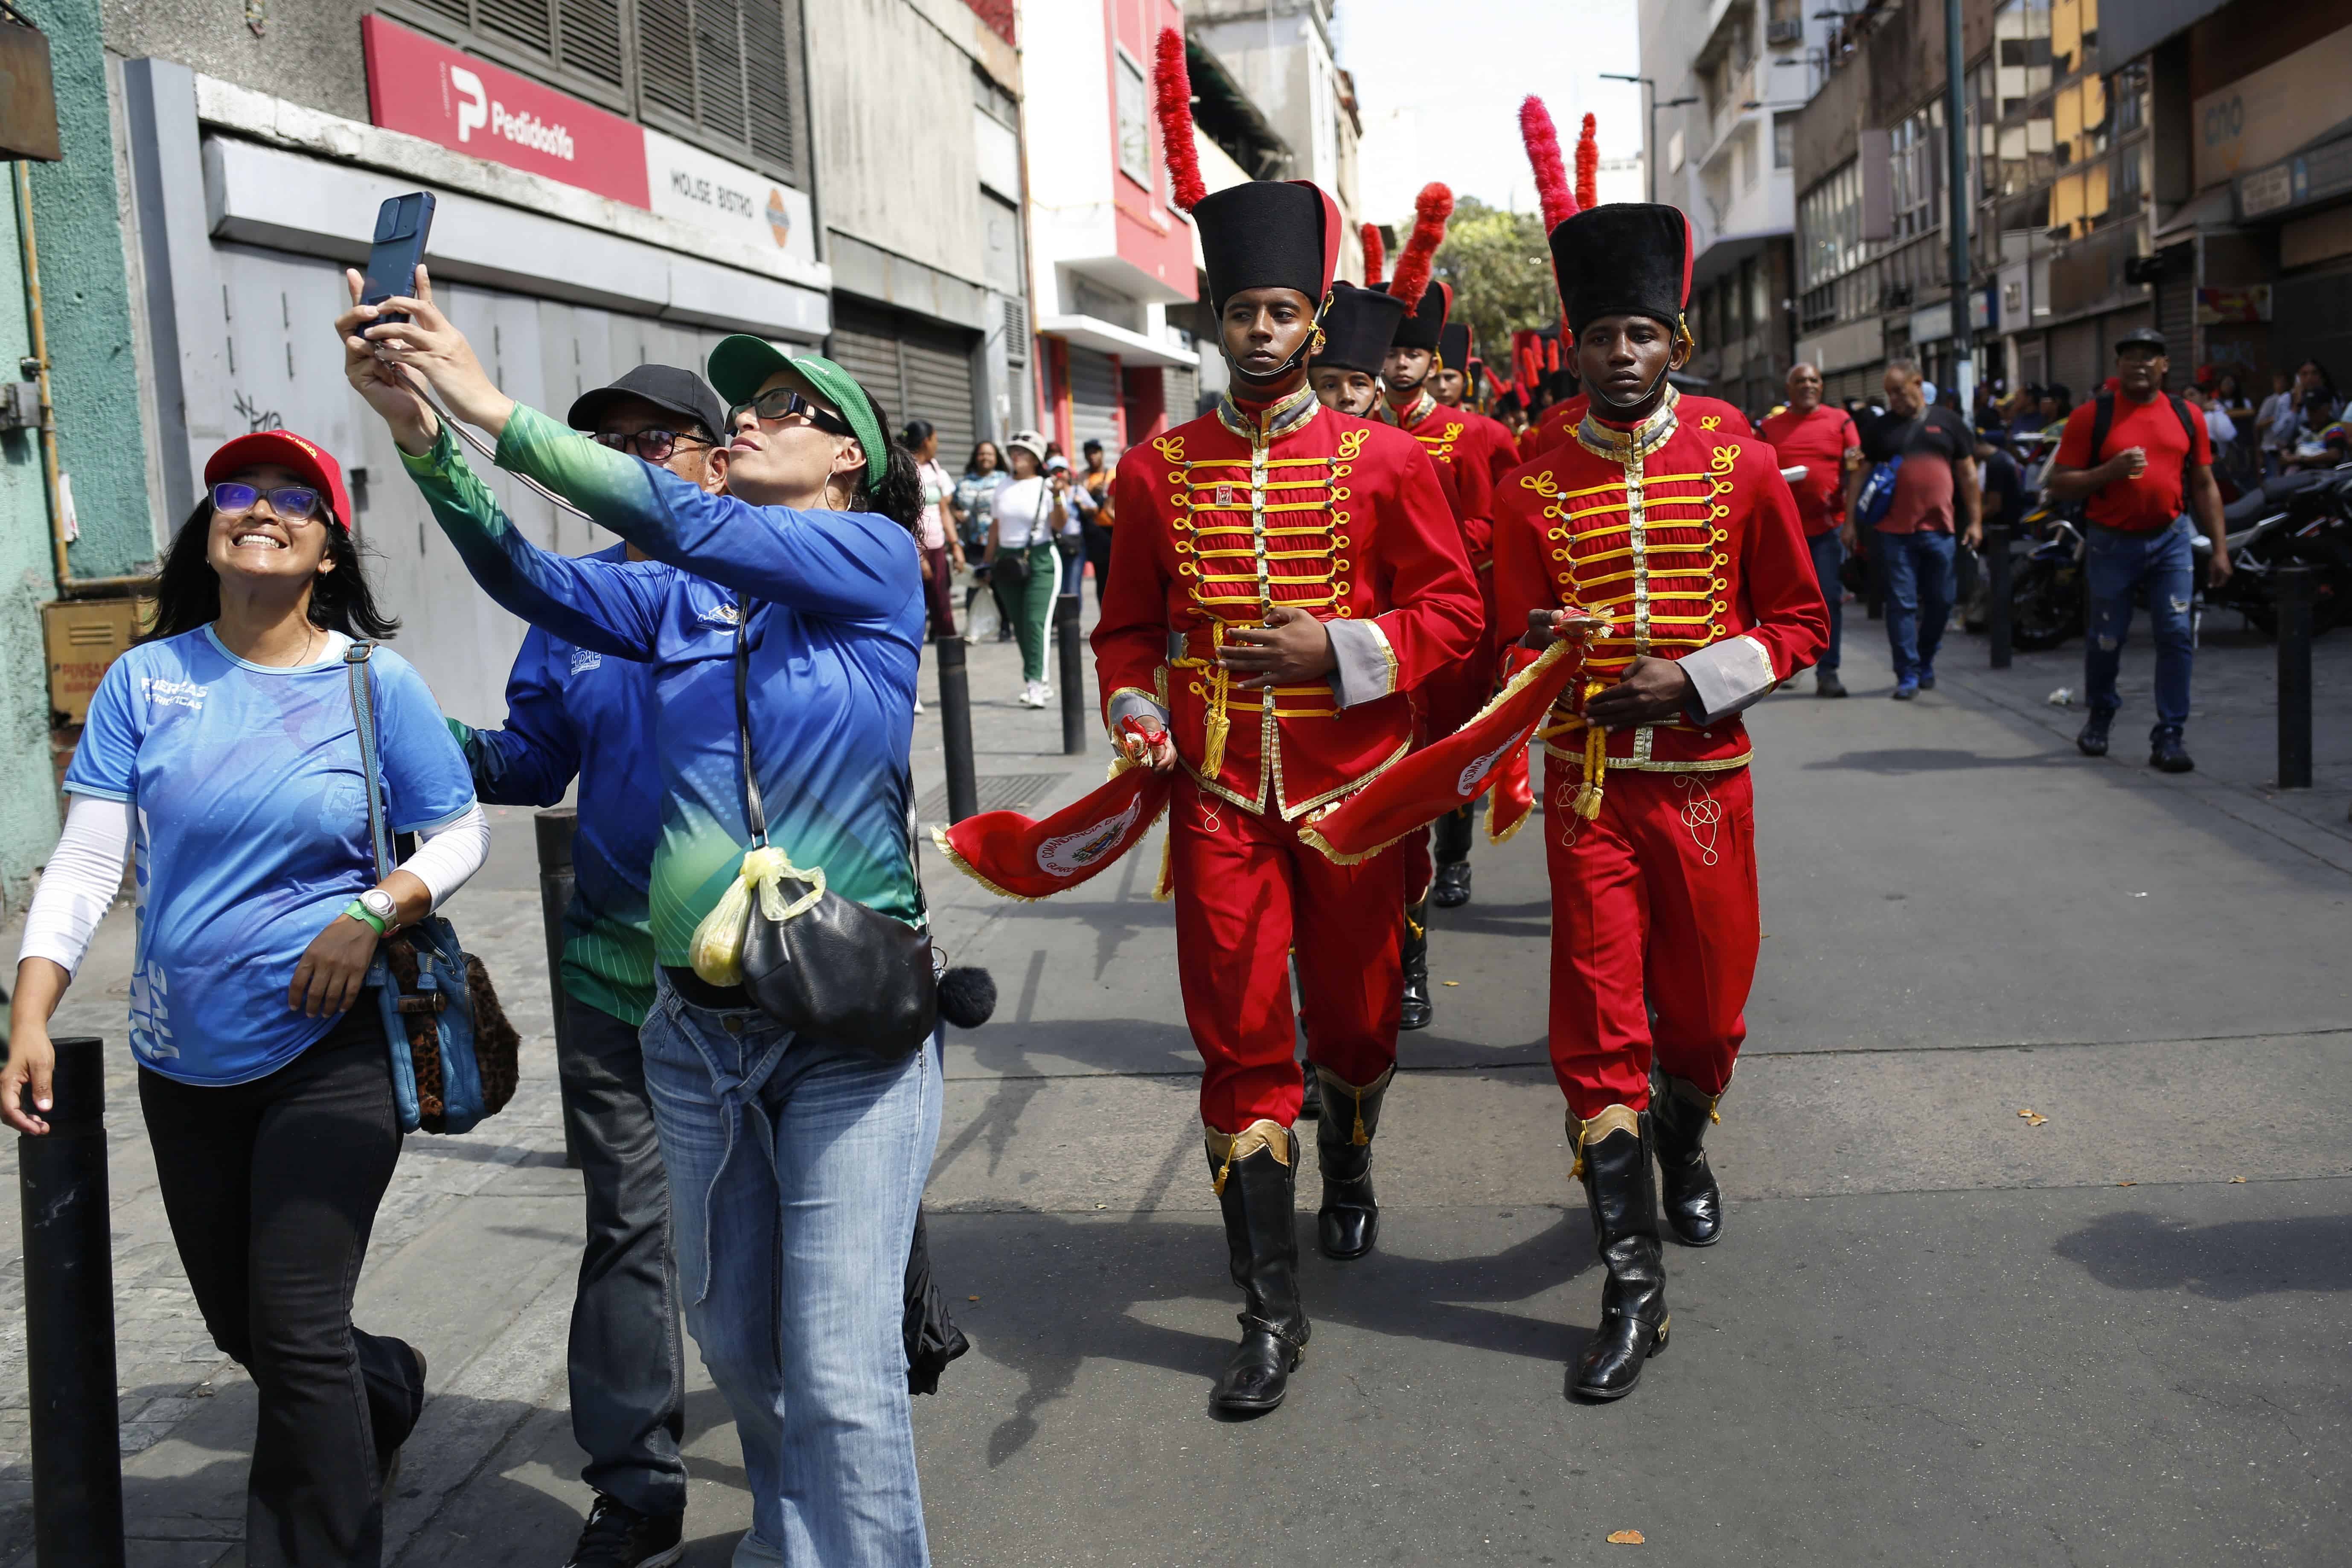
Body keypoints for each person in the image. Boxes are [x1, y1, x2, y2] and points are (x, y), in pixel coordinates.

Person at [340, 268, 940, 1565]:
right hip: (693, 1037)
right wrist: (420, 436)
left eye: (784, 405)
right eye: (740, 404)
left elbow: (683, 517)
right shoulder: (679, 599)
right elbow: (525, 579)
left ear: (849, 456)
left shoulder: (871, 560)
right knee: (743, 1350)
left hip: (845, 1035)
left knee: (838, 1375)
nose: (748, 415)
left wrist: (490, 403)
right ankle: (794, 1543)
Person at [3, 430, 487, 1565]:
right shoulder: (148, 678)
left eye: (293, 498)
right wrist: (30, 1011)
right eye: (237, 490)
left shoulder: (375, 683)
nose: (260, 508)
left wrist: (376, 909)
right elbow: (85, 865)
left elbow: (458, 827)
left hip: (334, 1052)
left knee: (298, 1326)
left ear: (328, 549)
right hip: (182, 1060)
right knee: (246, 1325)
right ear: (209, 530)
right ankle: (387, 1384)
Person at [1096, 32, 1480, 1414]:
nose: (1256, 333)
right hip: (1213, 792)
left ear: (1315, 324)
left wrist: (1345, 645)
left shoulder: (1382, 462)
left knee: (1358, 1018)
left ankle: (1356, 1141)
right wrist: (1135, 703)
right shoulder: (1156, 471)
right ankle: (1269, 1312)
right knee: (1238, 1032)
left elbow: (1452, 615)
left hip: (1352, 790)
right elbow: (1124, 628)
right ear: (1213, 321)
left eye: (1278, 312)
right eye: (1237, 312)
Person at [1490, 198, 1827, 1403]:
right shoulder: (1529, 478)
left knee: (1708, 1025)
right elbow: (1502, 639)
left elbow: (1799, 622)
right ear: (1574, 349)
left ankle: (1685, 1134)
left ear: (1672, 342)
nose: (1620, 356)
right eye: (1600, 339)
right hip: (1587, 794)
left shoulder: (1738, 460)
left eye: (1641, 334)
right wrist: (1535, 644)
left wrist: (1692, 679)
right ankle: (1634, 1289)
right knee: (1597, 1038)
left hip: (1705, 795)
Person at [448, 364, 727, 1568]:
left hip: (776, 979)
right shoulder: (571, 604)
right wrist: (402, 730)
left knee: (786, 1223)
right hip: (621, 974)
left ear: (718, 457)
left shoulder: (777, 577)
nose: (623, 458)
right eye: (604, 441)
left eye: (652, 441)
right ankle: (637, 1482)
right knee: (630, 1225)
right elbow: (529, 762)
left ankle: (816, 1452)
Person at [2045, 326, 2230, 773]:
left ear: (2165, 365)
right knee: (2107, 638)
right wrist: (2108, 471)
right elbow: (2060, 481)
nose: (2140, 364)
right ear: (2118, 366)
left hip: (2171, 539)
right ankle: (2100, 715)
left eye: (2150, 356)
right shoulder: (2093, 416)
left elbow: (2204, 484)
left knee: (2175, 632)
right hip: (2111, 542)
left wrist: (2220, 549)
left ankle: (2169, 734)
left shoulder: (2188, 416)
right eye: (2131, 356)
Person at [1846, 358, 1980, 698]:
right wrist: (1849, 522)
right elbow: (1859, 473)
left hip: (1941, 529)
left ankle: (1926, 659)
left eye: (1900, 392)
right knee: (1902, 604)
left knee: (1942, 601)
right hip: (1894, 532)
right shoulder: (1880, 429)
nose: (1894, 400)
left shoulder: (1949, 423)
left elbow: (1967, 474)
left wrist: (1977, 521)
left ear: (1918, 384)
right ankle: (1906, 673)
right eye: (1890, 394)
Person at [1761, 361, 1862, 697]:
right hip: (1783, 532)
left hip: (1828, 529)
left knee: (1830, 599)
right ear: (1788, 389)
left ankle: (1828, 671)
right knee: (1783, 604)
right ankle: (1789, 665)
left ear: (1822, 386)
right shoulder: (1769, 428)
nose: (1808, 385)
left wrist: (1850, 521)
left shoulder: (1842, 421)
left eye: (1814, 380)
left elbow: (1856, 470)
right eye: (1800, 381)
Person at [989, 431, 1069, 708]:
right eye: (1013, 450)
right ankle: (1039, 681)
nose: (1016, 455)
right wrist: (987, 564)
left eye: (1022, 451)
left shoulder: (1046, 486)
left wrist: (1059, 498)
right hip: (1007, 561)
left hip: (1041, 559)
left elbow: (1059, 525)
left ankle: (1035, 683)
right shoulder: (1002, 486)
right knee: (1019, 625)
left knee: (1036, 622)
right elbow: (996, 528)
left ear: (1036, 458)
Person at [904, 420, 965, 643]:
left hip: (937, 546)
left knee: (942, 601)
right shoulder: (907, 470)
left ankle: (950, 645)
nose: (937, 444)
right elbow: (905, 516)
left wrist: (956, 546)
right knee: (917, 604)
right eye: (936, 438)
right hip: (915, 550)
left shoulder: (935, 469)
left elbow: (944, 511)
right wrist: (920, 555)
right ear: (926, 441)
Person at [954, 441, 1010, 638]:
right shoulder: (964, 483)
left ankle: (1005, 626)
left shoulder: (1005, 480)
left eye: (990, 454)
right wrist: (957, 513)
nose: (985, 458)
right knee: (974, 585)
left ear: (997, 458)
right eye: (981, 454)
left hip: (999, 542)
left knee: (999, 585)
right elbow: (951, 506)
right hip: (973, 542)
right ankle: (974, 629)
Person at [1074, 438, 1116, 609]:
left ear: (1102, 454)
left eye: (1095, 452)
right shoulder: (1083, 477)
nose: (1092, 456)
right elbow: (1077, 500)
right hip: (1095, 532)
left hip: (1113, 530)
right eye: (1089, 453)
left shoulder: (1111, 474)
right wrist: (1090, 492)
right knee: (1102, 579)